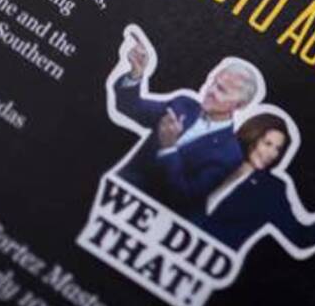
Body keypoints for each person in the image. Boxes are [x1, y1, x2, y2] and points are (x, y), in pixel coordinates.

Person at [109, 29, 264, 212]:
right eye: (213, 82)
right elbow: (130, 107)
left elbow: (184, 198)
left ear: (239, 105)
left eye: (222, 90)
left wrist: (169, 149)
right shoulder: (183, 104)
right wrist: (135, 74)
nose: (210, 91)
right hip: (116, 192)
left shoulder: (230, 154)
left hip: (151, 218)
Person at [188, 112, 315, 253]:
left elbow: (300, 237)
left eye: (278, 149)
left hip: (207, 266)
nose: (272, 153)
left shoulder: (272, 190)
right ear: (252, 137)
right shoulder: (219, 157)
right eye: (267, 144)